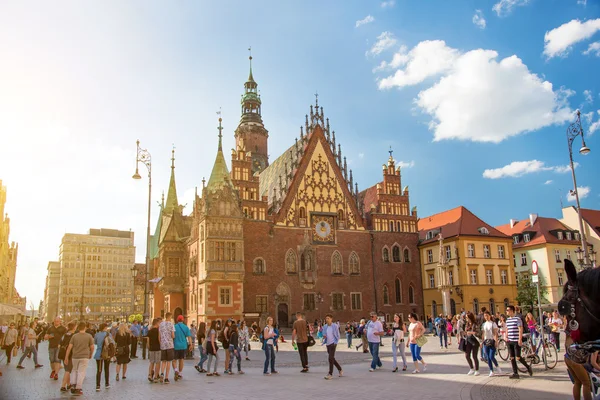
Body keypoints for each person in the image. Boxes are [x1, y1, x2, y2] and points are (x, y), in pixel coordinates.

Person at [64, 322, 94, 396]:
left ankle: (73, 385)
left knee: (74, 370)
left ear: (78, 328)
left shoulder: (74, 336)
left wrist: (66, 357)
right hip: (84, 356)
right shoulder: (89, 336)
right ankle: (78, 387)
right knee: (81, 372)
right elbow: (92, 347)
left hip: (75, 356)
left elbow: (69, 347)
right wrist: (90, 354)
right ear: (85, 328)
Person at [506, 305, 532, 379]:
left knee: (518, 357)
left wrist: (520, 339)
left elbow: (520, 329)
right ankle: (515, 373)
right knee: (512, 357)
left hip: (516, 340)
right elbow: (507, 328)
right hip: (510, 340)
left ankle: (528, 367)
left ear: (512, 311)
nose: (506, 311)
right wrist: (506, 335)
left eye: (508, 310)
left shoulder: (517, 319)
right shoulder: (507, 320)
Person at [481, 311, 503, 376]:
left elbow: (495, 333)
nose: (486, 317)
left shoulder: (493, 323)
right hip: (486, 341)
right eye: (485, 316)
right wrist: (482, 342)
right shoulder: (484, 324)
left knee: (491, 356)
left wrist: (496, 341)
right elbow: (483, 333)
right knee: (488, 357)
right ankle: (491, 370)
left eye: (487, 315)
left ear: (490, 316)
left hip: (492, 340)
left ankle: (497, 366)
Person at [322, 314, 343, 380]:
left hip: (333, 344)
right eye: (326, 318)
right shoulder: (325, 326)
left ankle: (330, 374)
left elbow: (338, 335)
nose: (327, 319)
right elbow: (324, 333)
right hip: (328, 344)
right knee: (332, 359)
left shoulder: (335, 326)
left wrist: (335, 342)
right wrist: (324, 336)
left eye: (328, 318)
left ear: (331, 319)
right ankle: (340, 369)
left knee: (330, 358)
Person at [59, 322, 76, 393]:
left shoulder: (64, 335)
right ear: (74, 327)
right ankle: (63, 386)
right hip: (70, 354)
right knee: (68, 370)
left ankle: (68, 384)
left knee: (67, 369)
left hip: (63, 353)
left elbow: (60, 344)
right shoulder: (74, 335)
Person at [173, 315, 191, 381]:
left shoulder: (174, 327)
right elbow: (189, 337)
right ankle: (180, 373)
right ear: (183, 320)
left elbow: (172, 336)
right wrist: (191, 344)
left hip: (175, 345)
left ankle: (175, 370)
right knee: (181, 360)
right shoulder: (186, 327)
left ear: (177, 320)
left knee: (174, 360)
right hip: (183, 345)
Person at [93, 323, 111, 391]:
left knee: (99, 370)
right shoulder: (108, 334)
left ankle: (98, 385)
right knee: (106, 369)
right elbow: (111, 343)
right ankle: (107, 383)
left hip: (99, 354)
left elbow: (95, 342)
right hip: (107, 354)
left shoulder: (97, 334)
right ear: (105, 327)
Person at [464, 311, 481, 376]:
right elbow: (466, 331)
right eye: (466, 318)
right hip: (468, 340)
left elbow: (478, 333)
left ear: (470, 317)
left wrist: (471, 333)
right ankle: (471, 368)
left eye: (467, 317)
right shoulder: (467, 324)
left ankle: (477, 370)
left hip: (475, 341)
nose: (466, 319)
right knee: (467, 355)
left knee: (474, 356)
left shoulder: (475, 324)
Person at [147, 318, 161, 382]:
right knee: (157, 362)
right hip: (157, 347)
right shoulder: (158, 330)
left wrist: (149, 346)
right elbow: (159, 339)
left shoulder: (150, 331)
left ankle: (150, 375)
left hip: (151, 348)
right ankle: (155, 377)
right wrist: (161, 345)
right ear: (157, 323)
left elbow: (148, 340)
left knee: (151, 362)